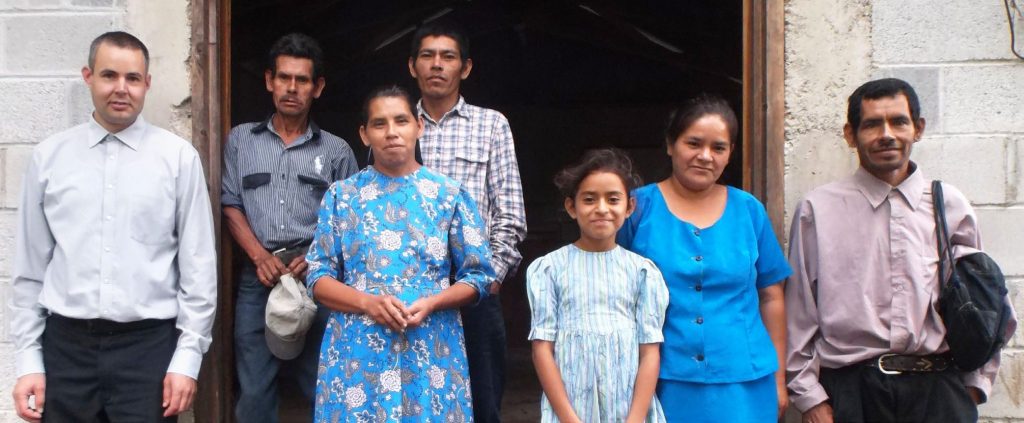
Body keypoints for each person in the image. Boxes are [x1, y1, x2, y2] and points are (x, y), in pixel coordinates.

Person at [9, 31, 217, 422]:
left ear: (147, 84)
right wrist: (28, 361)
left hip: (148, 350)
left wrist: (187, 359)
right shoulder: (50, 159)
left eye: (133, 78)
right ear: (88, 76)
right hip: (65, 349)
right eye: (109, 75)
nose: (121, 89)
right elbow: (29, 272)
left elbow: (199, 269)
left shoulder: (177, 160)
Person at [785, 78, 1018, 423]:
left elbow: (987, 302)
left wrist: (970, 387)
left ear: (918, 128)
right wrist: (811, 399)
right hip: (851, 393)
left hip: (938, 392)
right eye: (872, 124)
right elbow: (799, 312)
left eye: (898, 121)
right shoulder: (817, 210)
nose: (886, 134)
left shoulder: (950, 205)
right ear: (851, 135)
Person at [305, 85, 496, 421]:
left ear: (418, 126)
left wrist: (434, 301)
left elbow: (479, 276)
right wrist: (367, 302)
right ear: (364, 134)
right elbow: (317, 277)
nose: (391, 132)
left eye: (401, 121)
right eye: (379, 124)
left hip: (431, 348)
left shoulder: (449, 195)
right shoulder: (342, 196)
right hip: (358, 352)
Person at [617, 95, 791, 422]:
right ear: (670, 144)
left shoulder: (748, 209)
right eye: (693, 143)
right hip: (660, 378)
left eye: (719, 148)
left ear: (730, 154)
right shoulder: (637, 208)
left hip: (746, 379)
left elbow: (771, 295)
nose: (705, 156)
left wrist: (779, 379)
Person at [221, 33, 358, 422]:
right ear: (269, 81)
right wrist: (258, 256)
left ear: (318, 88)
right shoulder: (240, 141)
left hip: (318, 279)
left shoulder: (336, 150)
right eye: (284, 78)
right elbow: (230, 203)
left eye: (302, 80)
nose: (291, 88)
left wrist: (315, 258)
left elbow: (348, 221)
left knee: (323, 381)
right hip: (257, 277)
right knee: (254, 387)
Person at [407, 21, 527, 421]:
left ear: (466, 67)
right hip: (410, 291)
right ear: (412, 67)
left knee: (482, 403)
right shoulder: (396, 125)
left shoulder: (491, 124)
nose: (437, 65)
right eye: (427, 56)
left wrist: (488, 280)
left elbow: (510, 215)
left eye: (448, 56)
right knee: (417, 401)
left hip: (473, 291)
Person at [528, 149, 669, 422]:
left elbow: (650, 351)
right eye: (589, 199)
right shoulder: (549, 269)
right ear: (572, 207)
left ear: (629, 208)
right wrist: (569, 418)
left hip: (628, 409)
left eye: (613, 199)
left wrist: (636, 418)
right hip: (570, 409)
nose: (601, 208)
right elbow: (542, 349)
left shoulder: (642, 272)